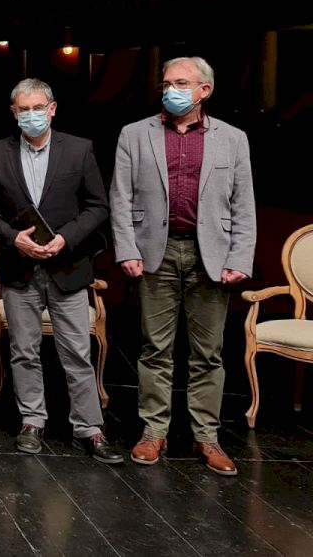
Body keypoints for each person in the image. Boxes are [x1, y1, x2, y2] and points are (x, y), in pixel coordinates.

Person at [110, 56, 256, 476]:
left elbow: (243, 204)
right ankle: (153, 431)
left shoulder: (233, 139)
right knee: (155, 349)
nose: (170, 90)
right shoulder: (135, 134)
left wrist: (239, 257)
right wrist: (127, 250)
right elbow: (120, 197)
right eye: (166, 83)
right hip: (154, 253)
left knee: (207, 354)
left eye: (181, 83)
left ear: (204, 90)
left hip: (211, 257)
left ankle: (206, 436)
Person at [0, 78, 122, 464]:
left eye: (38, 108)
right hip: (19, 267)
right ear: (14, 113)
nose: (31, 115)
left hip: (67, 266)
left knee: (77, 351)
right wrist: (13, 238)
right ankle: (32, 421)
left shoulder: (79, 149)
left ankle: (89, 427)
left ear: (52, 109)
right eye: (24, 109)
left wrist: (66, 238)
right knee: (23, 351)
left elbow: (98, 206)